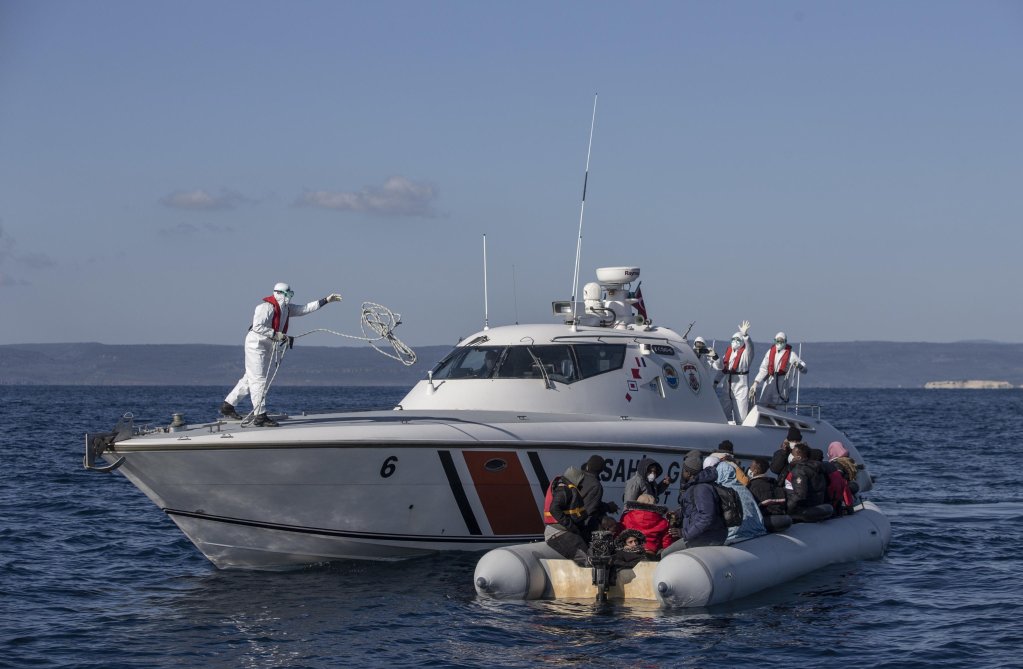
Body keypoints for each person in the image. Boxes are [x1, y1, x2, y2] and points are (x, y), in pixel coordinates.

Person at [220, 283, 343, 426]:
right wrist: (276, 334)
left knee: (250, 377)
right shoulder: (264, 308)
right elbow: (257, 326)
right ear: (278, 293)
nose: (289, 296)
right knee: (259, 379)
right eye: (287, 293)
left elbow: (305, 309)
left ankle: (228, 405)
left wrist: (325, 300)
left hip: (268, 344)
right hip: (256, 344)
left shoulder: (287, 309)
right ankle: (260, 415)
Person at [667, 450, 727, 550]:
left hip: (707, 538)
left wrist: (684, 533)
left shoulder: (701, 488)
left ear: (688, 473)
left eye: (684, 470)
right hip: (702, 535)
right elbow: (693, 508)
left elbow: (706, 516)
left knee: (666, 554)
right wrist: (678, 513)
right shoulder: (695, 486)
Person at [711, 458, 766, 544]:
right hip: (755, 531)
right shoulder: (744, 489)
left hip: (734, 535)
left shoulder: (720, 490)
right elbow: (756, 511)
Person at [543, 465, 590, 562]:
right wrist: (570, 524)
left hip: (564, 531)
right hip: (558, 532)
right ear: (575, 479)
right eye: (581, 481)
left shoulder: (566, 489)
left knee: (588, 552)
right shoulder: (564, 490)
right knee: (585, 558)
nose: (581, 484)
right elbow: (554, 508)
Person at [752, 332, 806, 408]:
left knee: (778, 405)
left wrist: (800, 366)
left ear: (785, 341)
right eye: (777, 341)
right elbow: (763, 369)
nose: (779, 343)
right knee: (763, 403)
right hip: (770, 380)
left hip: (782, 382)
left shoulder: (791, 355)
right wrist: (756, 382)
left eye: (782, 341)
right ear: (775, 341)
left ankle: (779, 418)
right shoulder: (770, 352)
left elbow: (804, 369)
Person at [715, 321, 754, 423]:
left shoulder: (746, 354)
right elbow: (722, 369)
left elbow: (750, 346)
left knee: (741, 417)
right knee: (723, 415)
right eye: (733, 339)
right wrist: (715, 382)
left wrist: (745, 335)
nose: (735, 341)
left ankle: (742, 433)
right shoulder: (728, 354)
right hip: (727, 387)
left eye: (738, 339)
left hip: (740, 387)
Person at [783, 443, 831, 521]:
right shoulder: (816, 467)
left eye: (792, 454)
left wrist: (787, 509)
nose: (790, 455)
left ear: (798, 457)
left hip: (804, 507)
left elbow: (800, 495)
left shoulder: (800, 470)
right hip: (817, 503)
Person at [578, 455, 619, 538]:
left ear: (588, 466)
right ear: (601, 470)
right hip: (583, 527)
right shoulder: (596, 485)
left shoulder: (579, 477)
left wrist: (607, 506)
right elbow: (590, 510)